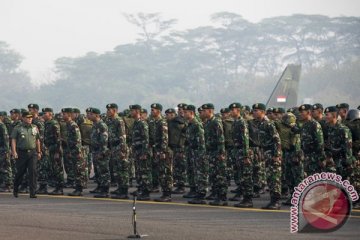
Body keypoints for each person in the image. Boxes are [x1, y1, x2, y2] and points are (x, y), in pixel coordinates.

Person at [252, 103, 282, 210]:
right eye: (253, 110)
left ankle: (276, 201)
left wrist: (276, 155)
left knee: (274, 178)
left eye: (256, 110)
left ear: (263, 112)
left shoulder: (268, 124)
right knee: (269, 178)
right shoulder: (259, 124)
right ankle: (272, 200)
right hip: (266, 153)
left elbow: (277, 140)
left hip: (272, 153)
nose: (254, 112)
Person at [202, 103, 228, 206]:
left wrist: (221, 153)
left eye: (204, 111)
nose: (203, 113)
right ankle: (217, 195)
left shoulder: (216, 122)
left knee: (220, 175)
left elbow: (220, 138)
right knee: (213, 175)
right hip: (211, 152)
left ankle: (222, 197)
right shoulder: (208, 122)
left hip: (217, 153)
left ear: (210, 111)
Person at [11, 111, 41, 198]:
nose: (30, 119)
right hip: (22, 153)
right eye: (28, 118)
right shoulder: (18, 128)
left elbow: (37, 140)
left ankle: (33, 192)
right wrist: (14, 152)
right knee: (20, 172)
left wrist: (39, 151)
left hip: (32, 152)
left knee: (33, 171)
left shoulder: (34, 127)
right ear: (23, 118)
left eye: (31, 118)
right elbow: (13, 140)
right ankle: (16, 189)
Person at [229, 103, 253, 208]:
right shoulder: (235, 122)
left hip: (243, 153)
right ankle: (244, 198)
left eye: (232, 110)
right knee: (241, 176)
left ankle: (248, 199)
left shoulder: (242, 122)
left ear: (238, 110)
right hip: (237, 152)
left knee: (246, 176)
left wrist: (246, 156)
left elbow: (245, 140)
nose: (230, 112)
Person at [184, 105, 208, 205]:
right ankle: (197, 192)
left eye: (186, 112)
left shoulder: (196, 124)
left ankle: (201, 194)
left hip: (199, 153)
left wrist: (201, 155)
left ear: (192, 113)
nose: (184, 114)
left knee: (201, 173)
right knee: (195, 173)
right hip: (193, 152)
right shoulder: (189, 124)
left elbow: (201, 141)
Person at [105, 103, 129, 199]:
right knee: (117, 170)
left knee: (122, 170)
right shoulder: (110, 121)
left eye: (109, 110)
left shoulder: (119, 121)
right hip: (114, 148)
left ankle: (124, 191)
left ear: (115, 111)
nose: (107, 112)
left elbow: (122, 136)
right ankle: (120, 188)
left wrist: (122, 151)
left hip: (120, 148)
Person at [150, 103, 173, 202]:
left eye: (153, 110)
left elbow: (164, 138)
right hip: (158, 151)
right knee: (161, 173)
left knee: (166, 172)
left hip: (164, 152)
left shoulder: (162, 122)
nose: (151, 112)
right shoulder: (156, 122)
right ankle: (165, 192)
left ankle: (167, 194)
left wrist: (163, 151)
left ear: (159, 111)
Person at [62, 108, 87, 196]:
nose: (62, 116)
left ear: (69, 115)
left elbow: (77, 140)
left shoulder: (73, 125)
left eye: (64, 114)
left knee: (79, 170)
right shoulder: (68, 125)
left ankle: (79, 189)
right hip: (72, 151)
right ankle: (77, 187)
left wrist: (78, 152)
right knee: (75, 170)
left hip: (76, 151)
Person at [324, 106, 354, 178]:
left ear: (334, 115)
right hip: (333, 165)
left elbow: (348, 149)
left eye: (327, 115)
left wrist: (348, 166)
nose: (325, 117)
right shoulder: (329, 129)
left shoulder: (343, 130)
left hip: (343, 166)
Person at [130, 104, 152, 201]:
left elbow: (146, 139)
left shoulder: (142, 123)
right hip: (137, 151)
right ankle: (141, 189)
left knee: (144, 172)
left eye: (132, 111)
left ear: (137, 111)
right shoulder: (135, 123)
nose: (131, 112)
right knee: (139, 172)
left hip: (142, 151)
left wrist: (144, 152)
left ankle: (146, 192)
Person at [88, 108, 111, 198]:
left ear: (96, 115)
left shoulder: (102, 125)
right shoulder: (95, 125)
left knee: (104, 171)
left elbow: (104, 140)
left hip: (101, 151)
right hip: (95, 151)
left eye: (91, 114)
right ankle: (100, 187)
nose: (88, 116)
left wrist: (102, 152)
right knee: (98, 171)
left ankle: (105, 190)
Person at [42, 108, 64, 195]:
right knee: (53, 169)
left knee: (57, 169)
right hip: (50, 149)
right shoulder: (47, 123)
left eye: (45, 113)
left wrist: (57, 152)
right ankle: (56, 187)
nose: (43, 114)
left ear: (50, 114)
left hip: (55, 149)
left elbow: (58, 139)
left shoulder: (54, 124)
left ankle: (59, 188)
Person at [0, 113, 12, 192]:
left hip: (3, 150)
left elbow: (6, 139)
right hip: (1, 149)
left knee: (5, 168)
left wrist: (7, 151)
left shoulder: (2, 126)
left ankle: (8, 185)